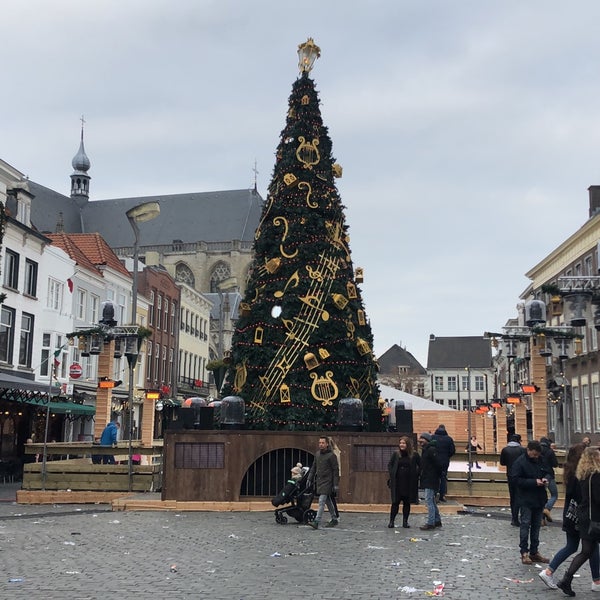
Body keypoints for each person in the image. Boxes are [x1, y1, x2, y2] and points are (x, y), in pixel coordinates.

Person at [539, 443, 600, 591]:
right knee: (583, 548)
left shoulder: (577, 472)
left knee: (587, 548)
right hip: (584, 517)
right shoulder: (587, 475)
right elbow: (592, 498)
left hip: (575, 516)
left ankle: (595, 580)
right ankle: (552, 573)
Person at [557, 447, 600, 596]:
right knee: (587, 551)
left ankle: (566, 580)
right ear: (594, 458)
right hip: (595, 518)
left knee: (586, 551)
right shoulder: (596, 476)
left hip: (584, 518)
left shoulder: (582, 475)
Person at [512, 439, 550, 565]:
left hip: (539, 498)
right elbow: (516, 480)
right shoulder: (520, 462)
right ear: (528, 450)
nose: (535, 457)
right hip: (526, 498)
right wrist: (534, 482)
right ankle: (524, 552)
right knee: (525, 524)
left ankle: (534, 551)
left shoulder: (541, 459)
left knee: (536, 526)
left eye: (537, 455)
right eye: (533, 454)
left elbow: (549, 472)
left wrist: (546, 479)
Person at [387, 436, 421, 529]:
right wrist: (392, 473)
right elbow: (390, 464)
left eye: (404, 443)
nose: (401, 445)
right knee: (395, 502)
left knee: (407, 502)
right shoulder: (396, 454)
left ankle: (405, 521)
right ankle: (391, 521)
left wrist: (416, 474)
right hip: (398, 481)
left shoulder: (414, 455)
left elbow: (421, 465)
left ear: (408, 444)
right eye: (400, 443)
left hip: (409, 482)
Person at [308, 437, 340, 529]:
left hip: (328, 481)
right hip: (320, 481)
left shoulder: (331, 456)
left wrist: (335, 484)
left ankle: (317, 521)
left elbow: (335, 470)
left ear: (327, 444)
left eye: (323, 443)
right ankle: (334, 518)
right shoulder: (317, 454)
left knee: (322, 501)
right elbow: (314, 467)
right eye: (319, 443)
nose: (321, 444)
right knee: (327, 501)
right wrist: (310, 477)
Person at [418, 432, 442, 530]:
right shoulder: (427, 450)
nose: (420, 441)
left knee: (429, 500)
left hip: (431, 478)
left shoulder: (430, 450)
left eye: (422, 439)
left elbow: (438, 464)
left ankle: (431, 522)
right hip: (430, 477)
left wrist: (435, 475)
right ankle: (437, 520)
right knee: (431, 500)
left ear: (427, 440)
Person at [500, 434, 525, 526]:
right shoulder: (522, 450)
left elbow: (502, 463)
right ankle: (523, 517)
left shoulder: (505, 450)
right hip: (521, 476)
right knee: (521, 496)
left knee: (513, 497)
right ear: (519, 441)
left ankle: (514, 518)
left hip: (510, 475)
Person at [432, 424, 455, 503]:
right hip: (444, 461)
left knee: (434, 477)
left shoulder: (433, 438)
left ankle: (434, 494)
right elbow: (452, 451)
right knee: (443, 478)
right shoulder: (449, 439)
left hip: (434, 461)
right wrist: (446, 456)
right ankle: (442, 495)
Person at [540, 436, 559, 526]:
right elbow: (555, 464)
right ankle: (547, 509)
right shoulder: (550, 451)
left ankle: (541, 519)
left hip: (539, 476)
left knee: (542, 497)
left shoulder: (538, 450)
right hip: (549, 475)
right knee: (554, 495)